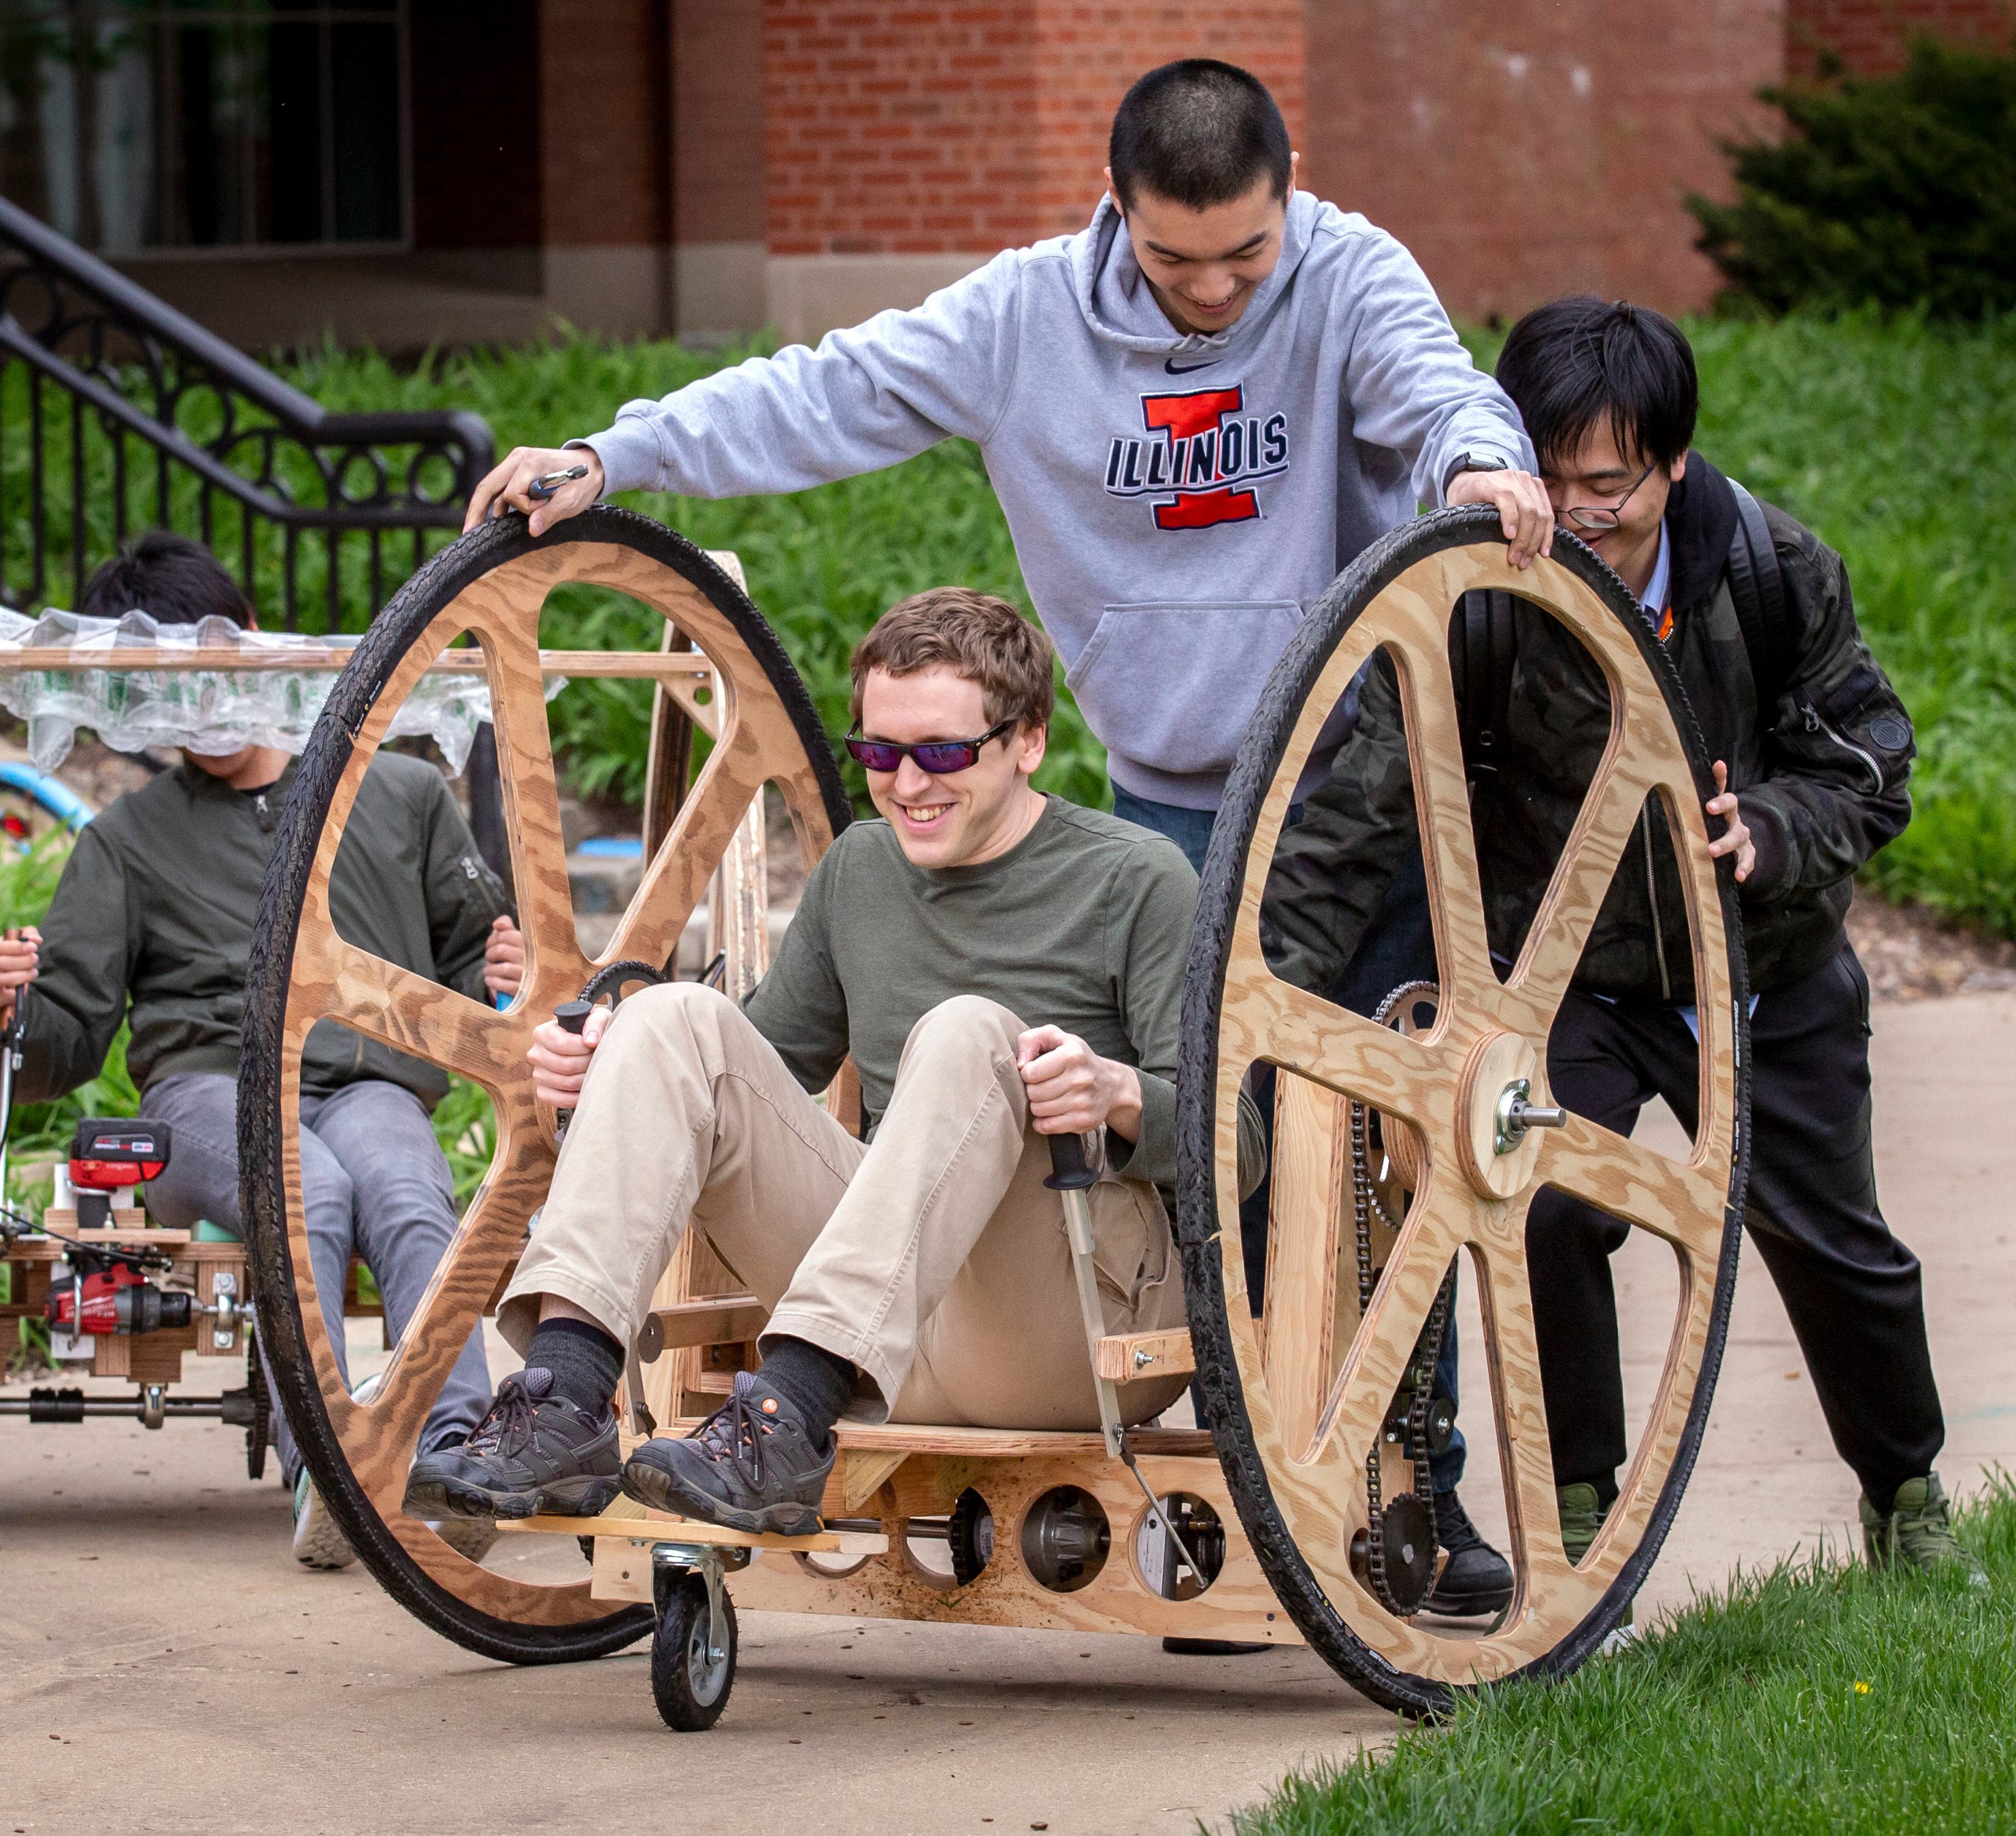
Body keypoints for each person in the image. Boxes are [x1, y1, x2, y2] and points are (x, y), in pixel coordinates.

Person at [460, 57, 1540, 1620]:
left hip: (1350, 781)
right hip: (1171, 774)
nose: (1221, 291)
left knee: (1381, 1139)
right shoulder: (1026, 319)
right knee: (1061, 1095)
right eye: (1179, 262)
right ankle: (567, 1396)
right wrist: (621, 457)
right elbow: (818, 390)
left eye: (1250, 252)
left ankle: (1411, 1490)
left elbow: (1436, 384)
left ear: (1289, 186)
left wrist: (1477, 464)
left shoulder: (1345, 273)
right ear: (1117, 215)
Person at [1261, 297, 1982, 1582]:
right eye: (1555, 479)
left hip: (1762, 972)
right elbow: (1351, 819)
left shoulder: (1771, 569)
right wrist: (1259, 1003)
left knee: (1833, 1241)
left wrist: (1770, 826)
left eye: (1613, 485)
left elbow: (1872, 761)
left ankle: (1905, 1494)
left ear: (1675, 464)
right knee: (1539, 1211)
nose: (1583, 513)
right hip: (1575, 976)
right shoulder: (1474, 594)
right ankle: (1580, 1506)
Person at [406, 590, 1244, 1544]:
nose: (908, 783)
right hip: (884, 1329)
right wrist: (611, 1063)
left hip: (1070, 1328)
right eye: (880, 754)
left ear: (1029, 742)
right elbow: (740, 1074)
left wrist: (1118, 1093)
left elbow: (1243, 1147)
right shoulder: (860, 872)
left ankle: (785, 1416)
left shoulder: (1136, 879)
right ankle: (567, 1398)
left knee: (970, 1032)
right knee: (674, 1016)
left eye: (942, 752)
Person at [0, 532, 518, 1571]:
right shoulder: (126, 841)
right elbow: (62, 1042)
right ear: (135, 698)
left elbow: (477, 981)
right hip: (209, 1097)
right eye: (170, 690)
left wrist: (509, 969)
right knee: (308, 1193)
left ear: (248, 645)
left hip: (368, 1078)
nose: (204, 711)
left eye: (214, 667)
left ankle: (455, 1457)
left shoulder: (400, 795)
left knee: (409, 1194)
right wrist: (10, 1012)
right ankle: (324, 1469)